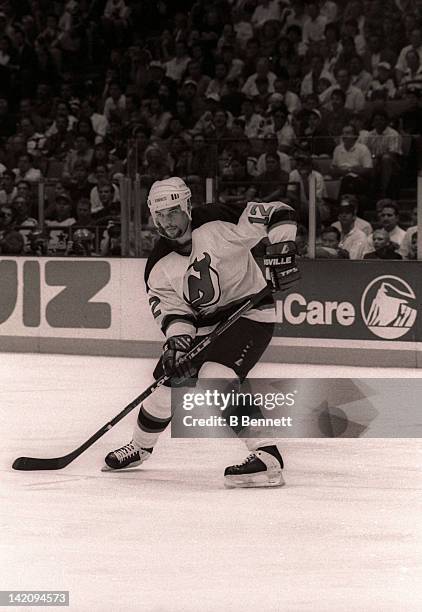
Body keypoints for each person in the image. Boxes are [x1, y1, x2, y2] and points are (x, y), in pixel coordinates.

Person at [104, 177, 299, 488]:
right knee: (166, 386)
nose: (167, 222)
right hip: (202, 326)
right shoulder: (158, 265)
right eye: (160, 216)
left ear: (186, 207)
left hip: (249, 314)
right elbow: (174, 312)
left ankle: (267, 456)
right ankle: (140, 448)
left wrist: (281, 246)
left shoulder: (219, 221)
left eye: (172, 212)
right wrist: (177, 345)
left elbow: (279, 212)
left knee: (214, 377)